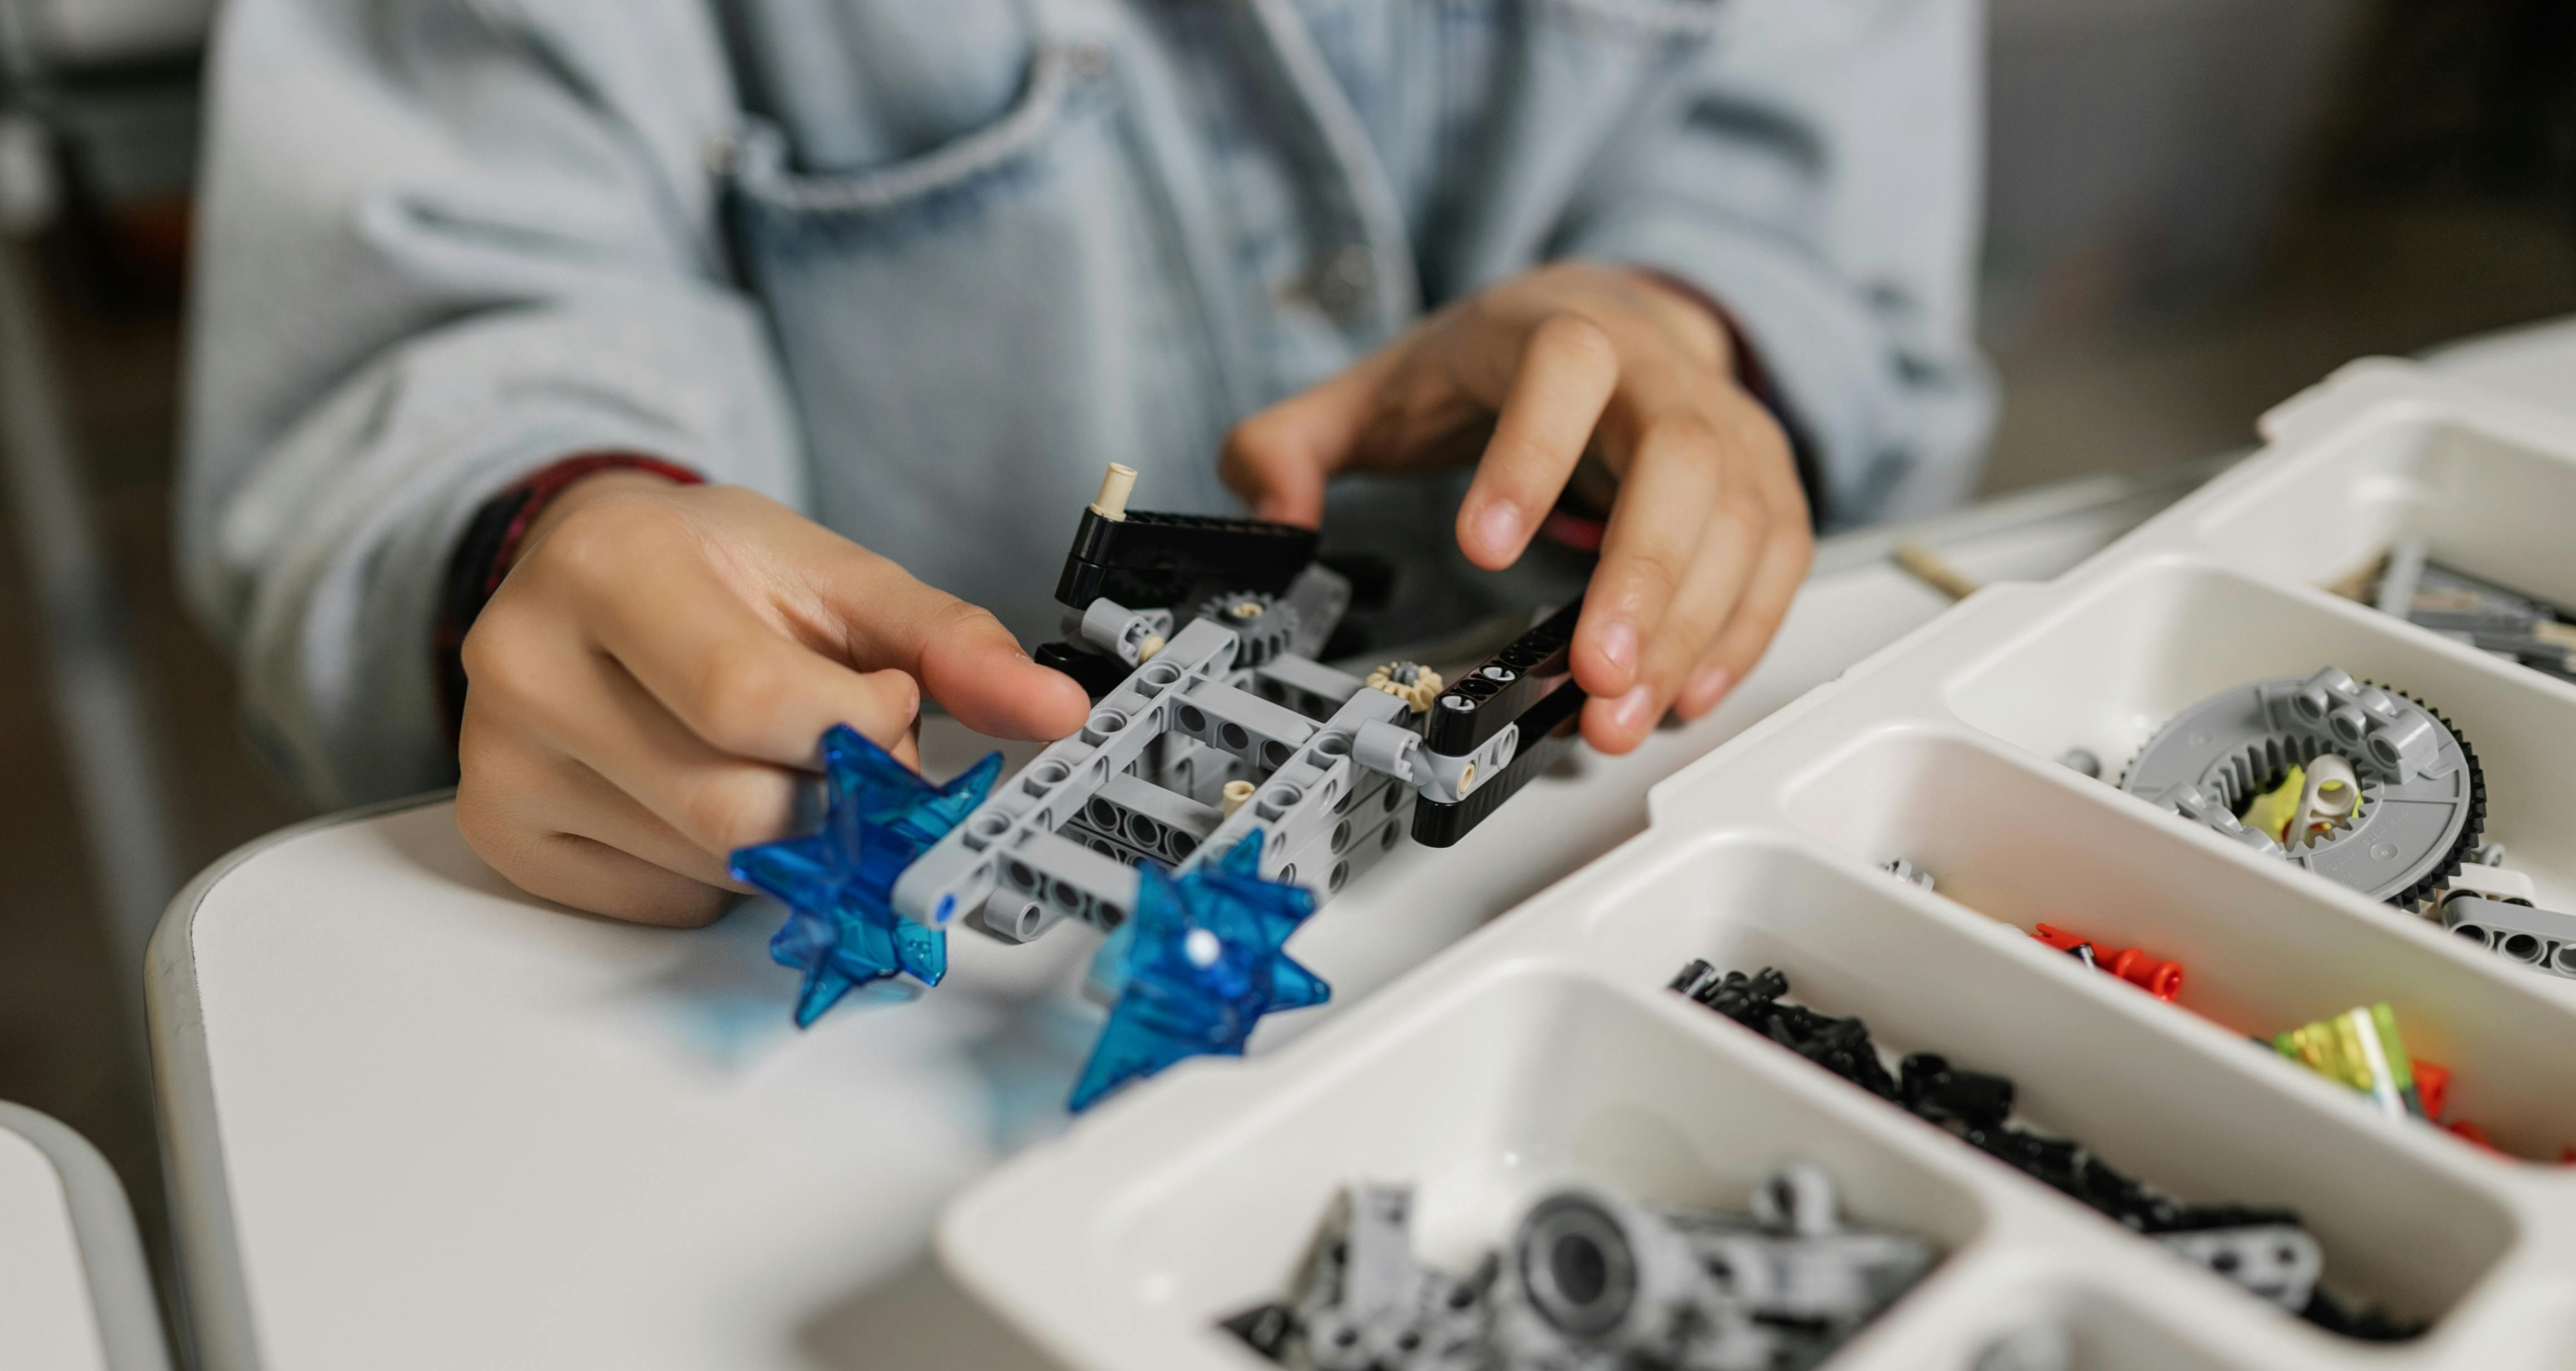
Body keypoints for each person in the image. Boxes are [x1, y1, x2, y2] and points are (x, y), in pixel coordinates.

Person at [182, 0, 1993, 926]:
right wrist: (548, 527)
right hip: (834, 870)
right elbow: (422, 333)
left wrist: (1685, 331)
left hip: (1624, 822)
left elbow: (1834, 203)